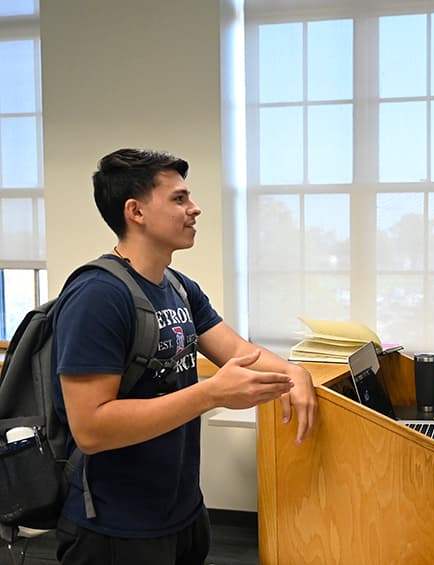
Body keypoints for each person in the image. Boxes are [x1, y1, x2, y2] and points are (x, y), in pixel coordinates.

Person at [51, 148, 318, 565]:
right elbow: (91, 428)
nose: (195, 209)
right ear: (135, 211)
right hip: (115, 527)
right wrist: (211, 395)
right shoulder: (98, 296)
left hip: (183, 514)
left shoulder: (178, 286)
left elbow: (239, 351)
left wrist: (293, 372)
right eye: (179, 199)